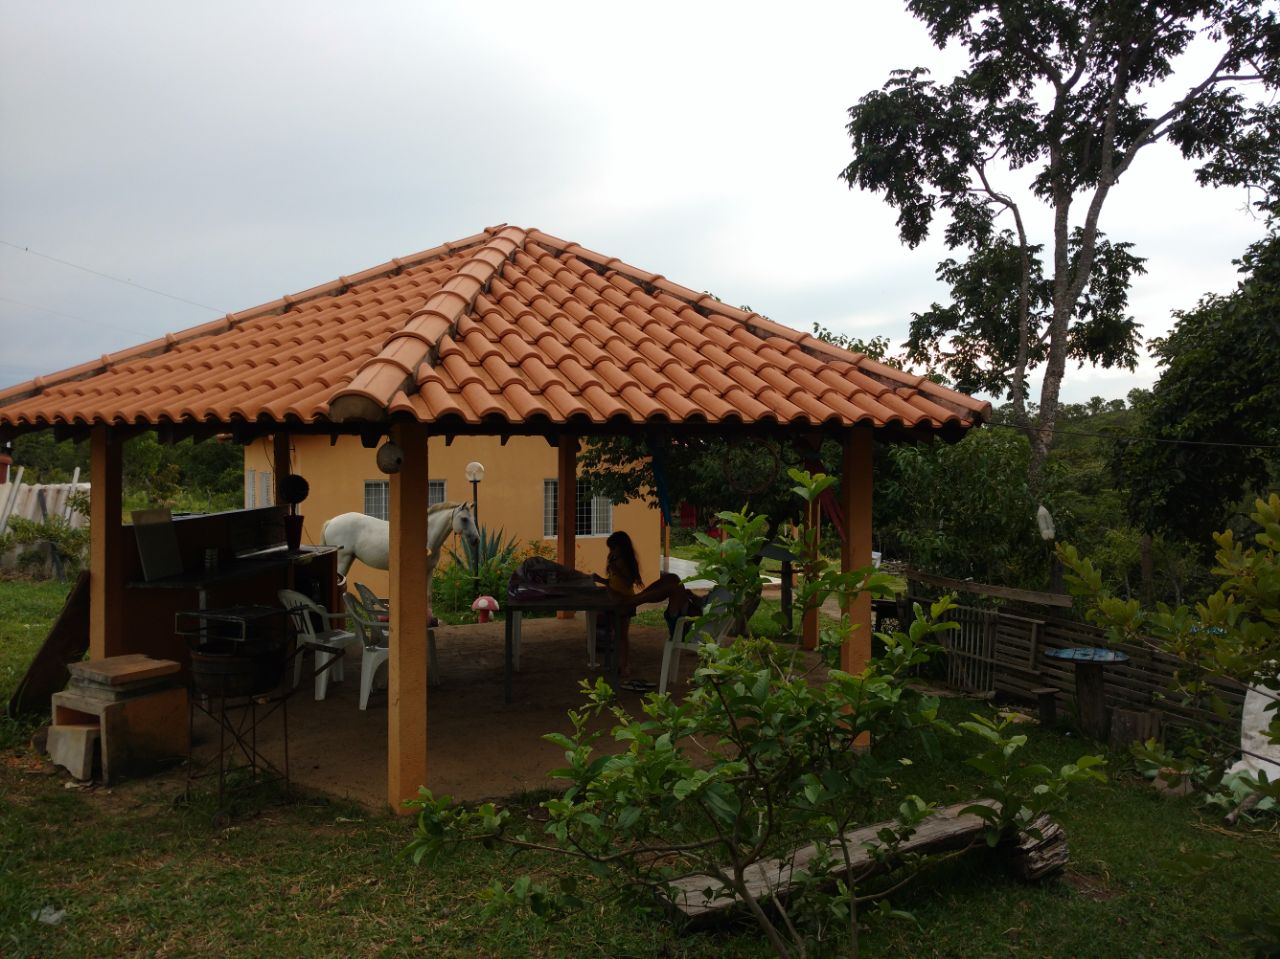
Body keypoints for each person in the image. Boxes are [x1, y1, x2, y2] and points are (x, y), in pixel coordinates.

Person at [593, 531, 644, 687]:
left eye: (614, 548)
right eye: (611, 549)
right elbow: (613, 582)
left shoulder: (626, 561)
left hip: (624, 601)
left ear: (622, 547)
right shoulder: (615, 560)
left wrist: (617, 570)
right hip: (614, 599)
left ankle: (624, 666)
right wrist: (600, 579)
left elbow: (628, 582)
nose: (612, 551)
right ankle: (618, 663)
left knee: (622, 636)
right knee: (616, 635)